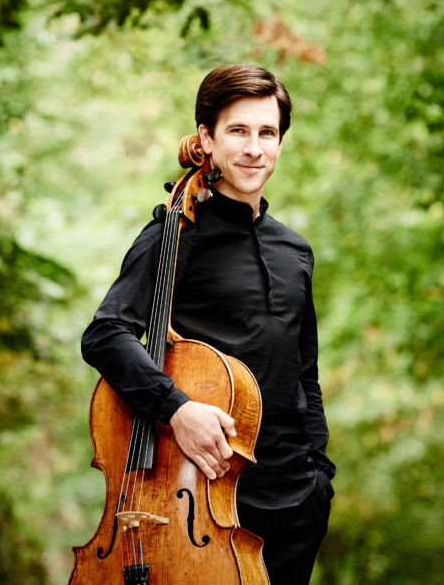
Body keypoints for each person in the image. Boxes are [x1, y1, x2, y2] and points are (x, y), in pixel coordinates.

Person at [81, 63, 334, 584]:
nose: (254, 148)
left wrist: (319, 476)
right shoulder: (174, 233)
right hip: (200, 493)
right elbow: (106, 335)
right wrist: (176, 409)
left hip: (294, 501)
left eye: (267, 133)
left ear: (281, 142)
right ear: (207, 138)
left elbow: (304, 371)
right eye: (238, 131)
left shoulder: (296, 251)